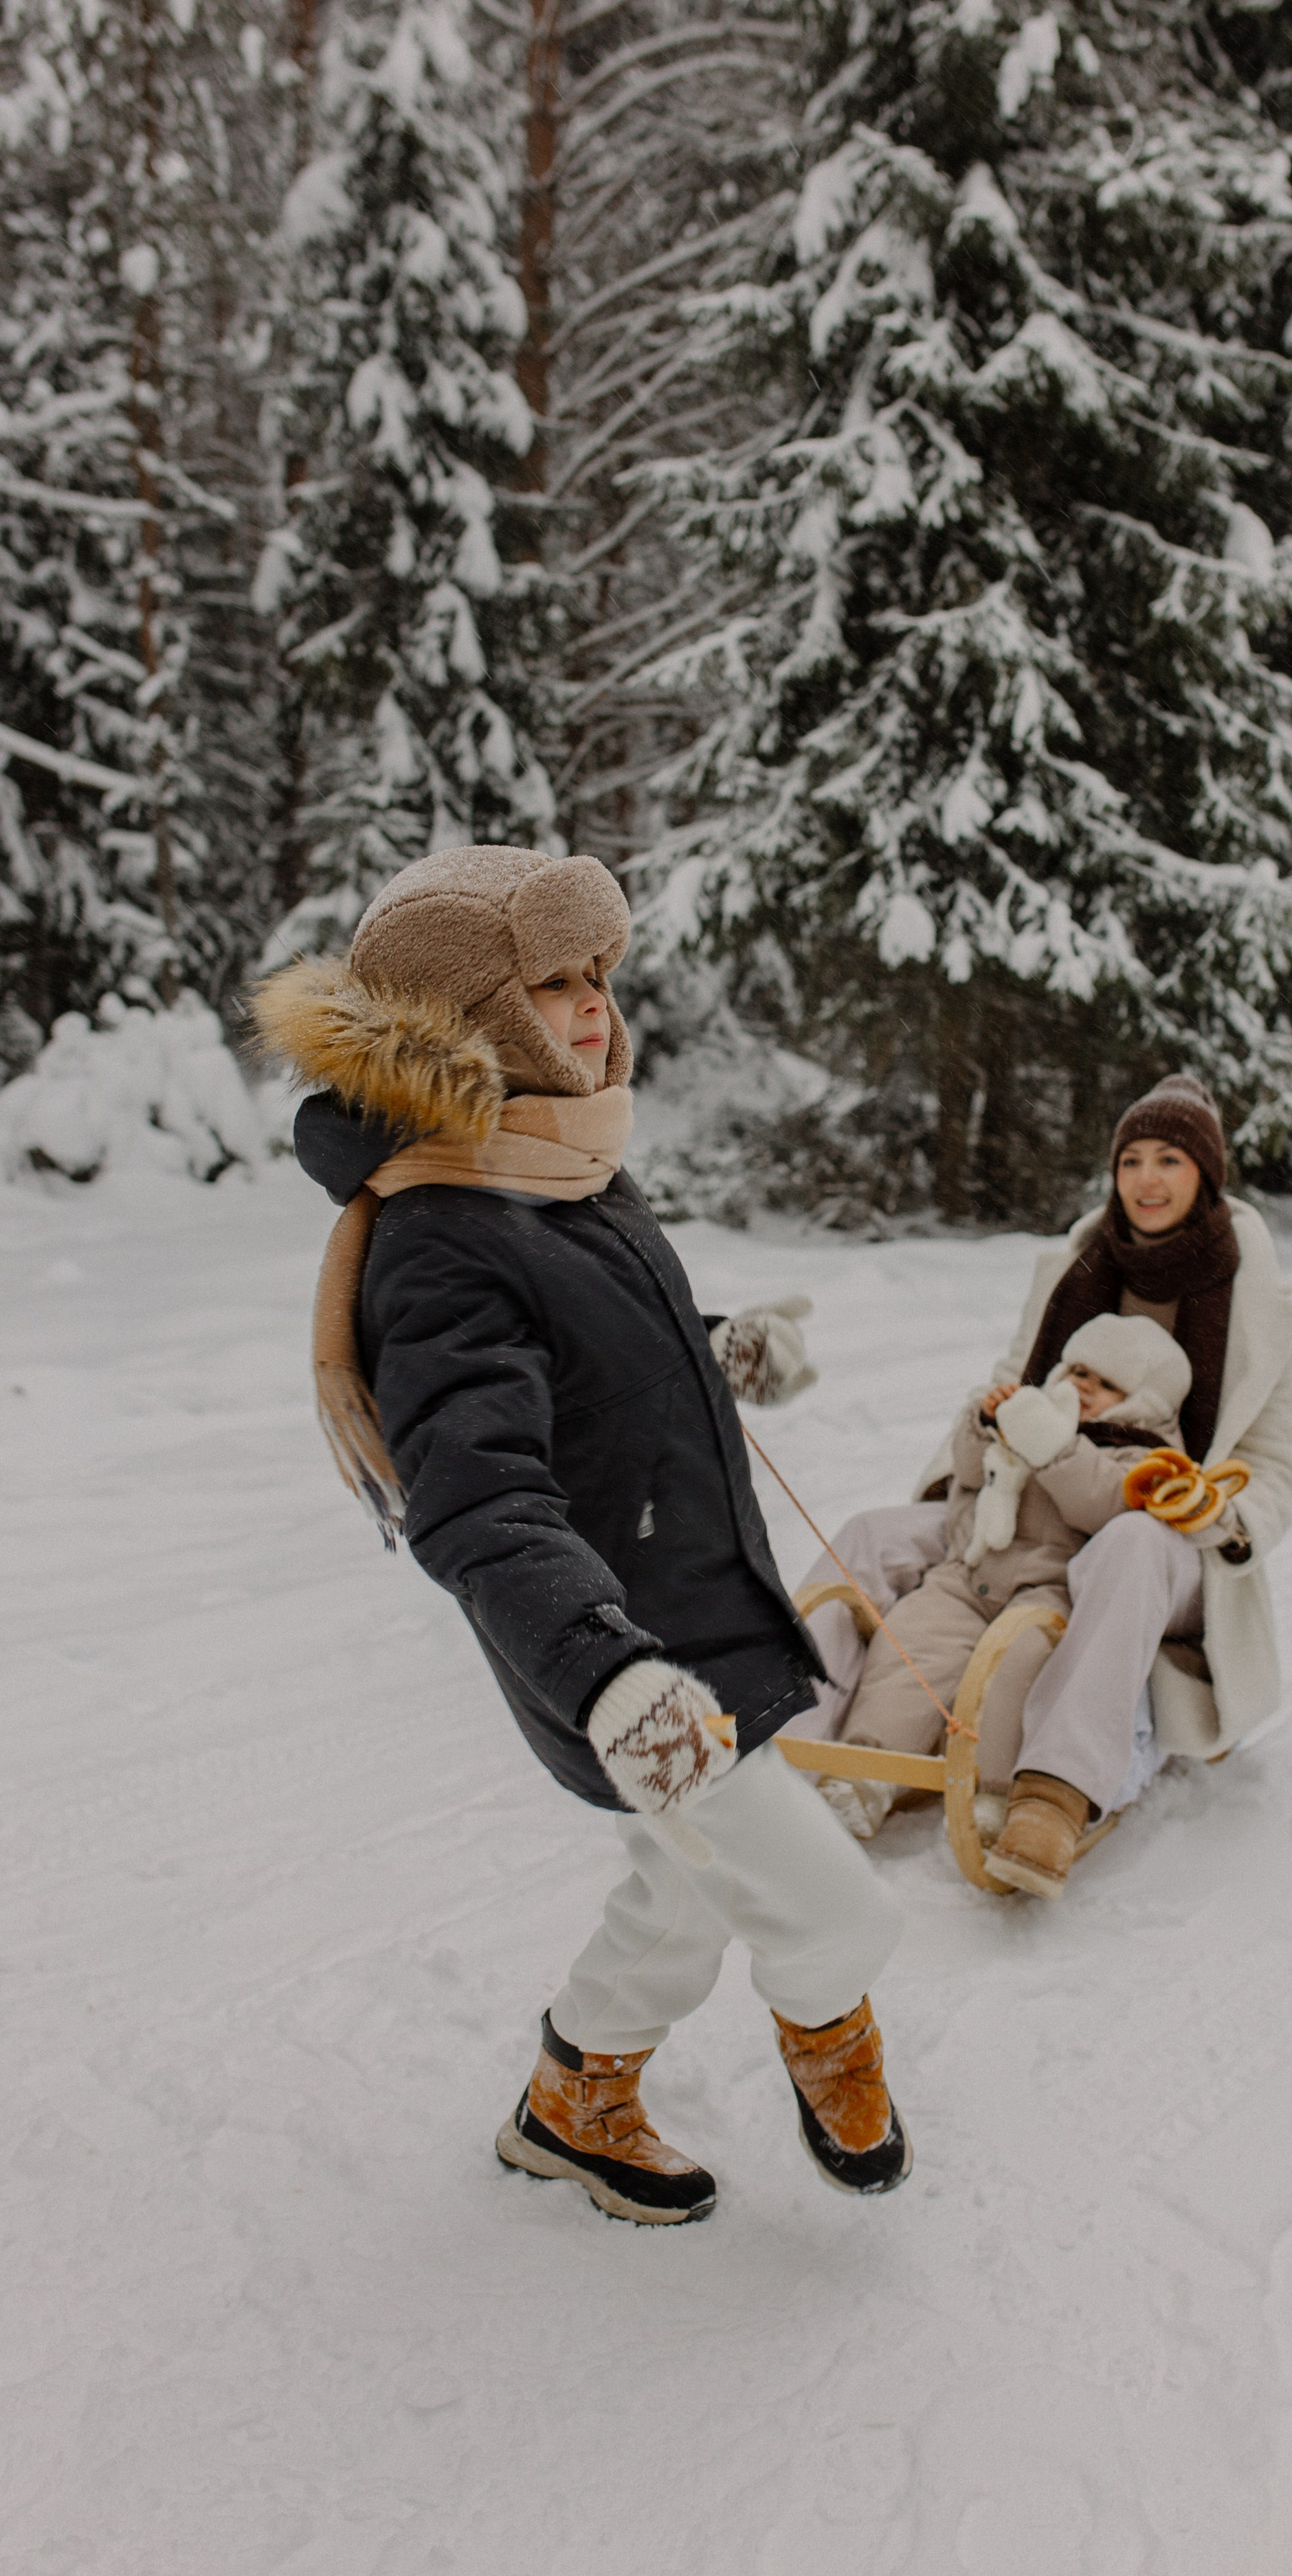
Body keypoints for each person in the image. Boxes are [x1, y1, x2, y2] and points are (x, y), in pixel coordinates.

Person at [254, 845, 910, 2226]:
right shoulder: (440, 1233)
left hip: (696, 1607)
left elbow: (602, 1361)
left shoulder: (559, 1164)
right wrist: (611, 1680)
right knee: (831, 1908)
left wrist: (721, 1346)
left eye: (596, 975)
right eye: (549, 984)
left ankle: (573, 2101)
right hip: (623, 1666)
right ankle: (827, 2037)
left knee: (677, 1900)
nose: (592, 1007)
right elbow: (478, 1496)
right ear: (471, 1019)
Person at [798, 1073, 1292, 1900]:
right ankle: (786, 1723)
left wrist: (1221, 1513)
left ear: (1205, 1176)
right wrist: (973, 1477)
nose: (1145, 1179)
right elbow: (1011, 1383)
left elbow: (1274, 1462)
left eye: (1169, 1160)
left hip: (1167, 1535)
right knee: (874, 1535)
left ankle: (1053, 1790)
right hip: (1027, 1499)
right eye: (1131, 1159)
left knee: (1133, 1540)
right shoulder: (1079, 1266)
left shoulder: (1253, 1300)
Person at [822, 1312, 1192, 1868]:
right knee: (912, 1649)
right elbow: (969, 1474)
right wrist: (983, 1422)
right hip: (966, 1576)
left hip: (1046, 1590)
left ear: (1142, 1401)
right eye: (1078, 1371)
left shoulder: (1139, 1452)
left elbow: (1104, 1504)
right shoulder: (1029, 1415)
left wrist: (1059, 1449)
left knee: (1016, 1670)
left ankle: (996, 1792)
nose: (1082, 1388)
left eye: (1105, 1383)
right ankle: (868, 1769)